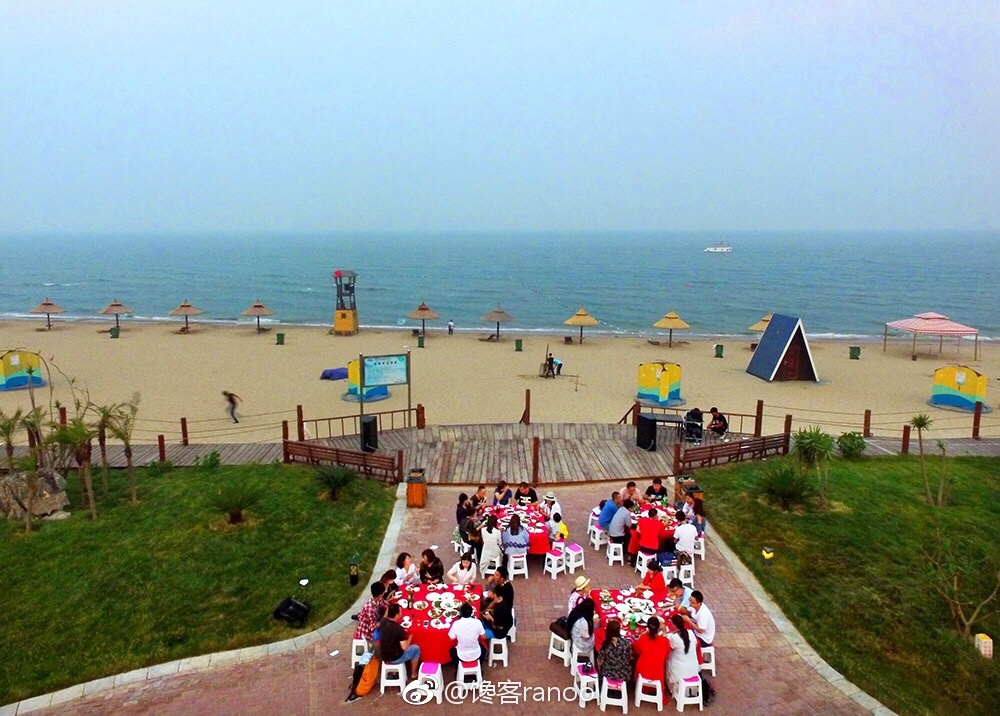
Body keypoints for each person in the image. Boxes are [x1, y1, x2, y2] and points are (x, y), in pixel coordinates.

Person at [632, 616, 670, 705]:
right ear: (658, 628)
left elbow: (635, 649)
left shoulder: (643, 638)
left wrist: (643, 634)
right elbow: (666, 655)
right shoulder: (664, 641)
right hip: (657, 675)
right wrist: (664, 633)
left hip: (643, 673)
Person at [378, 604, 420, 680]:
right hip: (395, 657)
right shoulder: (398, 629)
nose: (401, 614)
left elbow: (385, 614)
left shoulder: (383, 621)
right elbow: (405, 647)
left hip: (383, 654)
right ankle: (414, 673)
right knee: (416, 649)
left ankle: (394, 671)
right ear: (397, 615)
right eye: (400, 612)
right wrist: (411, 636)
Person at [666, 614, 701, 697]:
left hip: (680, 671)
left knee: (666, 661)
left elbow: (668, 649)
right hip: (694, 668)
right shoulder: (690, 633)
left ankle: (672, 689)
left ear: (674, 625)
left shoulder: (674, 638)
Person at [597, 619, 635, 684]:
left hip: (608, 674)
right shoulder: (626, 643)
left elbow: (599, 663)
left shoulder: (605, 645)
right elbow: (631, 658)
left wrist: (599, 673)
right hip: (624, 675)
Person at [482, 567, 514, 638]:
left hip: (500, 631)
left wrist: (490, 617)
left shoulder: (504, 592)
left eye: (496, 575)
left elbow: (498, 625)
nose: (494, 576)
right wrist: (489, 583)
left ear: (502, 578)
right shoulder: (500, 586)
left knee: (479, 632)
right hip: (503, 618)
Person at [567, 597, 597, 665]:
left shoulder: (576, 611)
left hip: (573, 632)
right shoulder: (583, 622)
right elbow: (585, 637)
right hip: (580, 641)